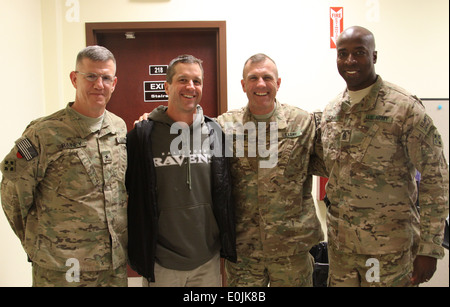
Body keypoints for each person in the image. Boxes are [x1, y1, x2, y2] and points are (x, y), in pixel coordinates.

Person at [320, 26, 449, 286]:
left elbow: (436, 177)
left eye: (359, 53)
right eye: (342, 54)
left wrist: (429, 247)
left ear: (374, 56)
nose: (350, 61)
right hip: (342, 251)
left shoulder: (404, 109)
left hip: (387, 252)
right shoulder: (333, 111)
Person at [0, 45, 128, 286]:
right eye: (90, 76)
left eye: (105, 77)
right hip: (61, 268)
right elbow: (12, 194)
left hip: (112, 265)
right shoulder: (44, 133)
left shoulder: (119, 128)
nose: (98, 84)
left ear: (114, 83)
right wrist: (38, 244)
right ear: (74, 78)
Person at [216, 54, 327, 287]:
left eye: (267, 77)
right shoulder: (225, 126)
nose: (260, 84)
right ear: (243, 85)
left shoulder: (302, 122)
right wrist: (153, 120)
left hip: (291, 251)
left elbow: (337, 156)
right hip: (245, 251)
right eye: (253, 77)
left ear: (278, 83)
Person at [126, 54, 237, 287]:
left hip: (207, 261)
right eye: (182, 80)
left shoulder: (216, 133)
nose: (191, 87)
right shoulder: (142, 136)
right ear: (167, 86)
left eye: (197, 81)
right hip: (161, 263)